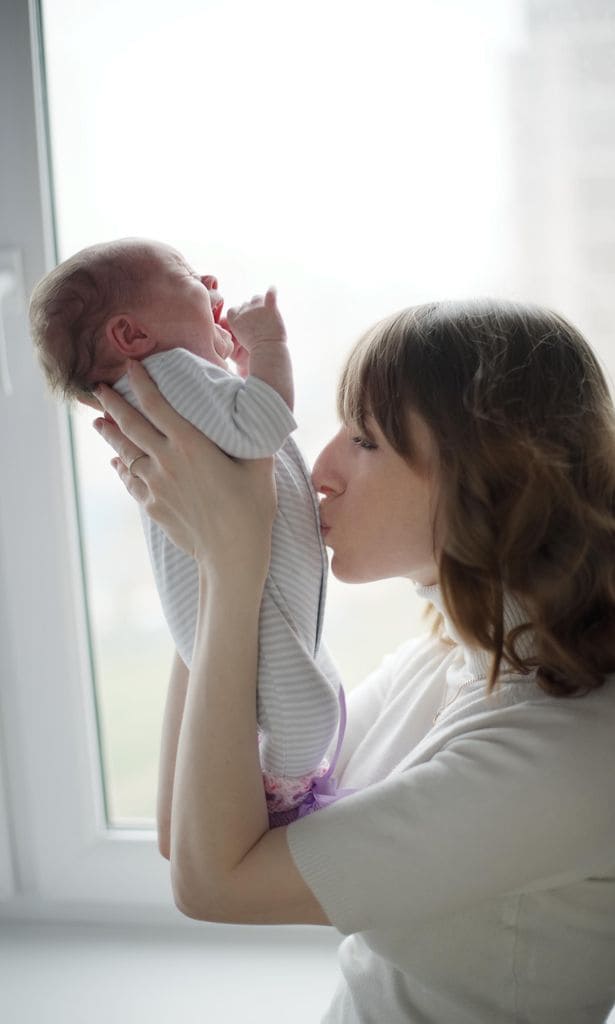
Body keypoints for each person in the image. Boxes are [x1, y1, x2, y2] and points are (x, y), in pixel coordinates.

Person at [87, 298, 615, 1022]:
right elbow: (192, 837)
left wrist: (231, 565)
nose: (319, 471)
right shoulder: (451, 661)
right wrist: (210, 560)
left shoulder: (564, 746)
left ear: (490, 472)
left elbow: (216, 886)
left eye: (365, 440)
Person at [28, 238, 346, 825]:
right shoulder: (168, 374)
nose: (208, 280)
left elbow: (241, 431)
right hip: (243, 588)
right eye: (186, 277)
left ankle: (276, 779)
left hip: (221, 596)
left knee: (298, 692)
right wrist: (270, 346)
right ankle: (281, 792)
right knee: (307, 708)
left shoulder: (163, 395)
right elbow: (262, 431)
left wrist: (242, 376)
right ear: (131, 337)